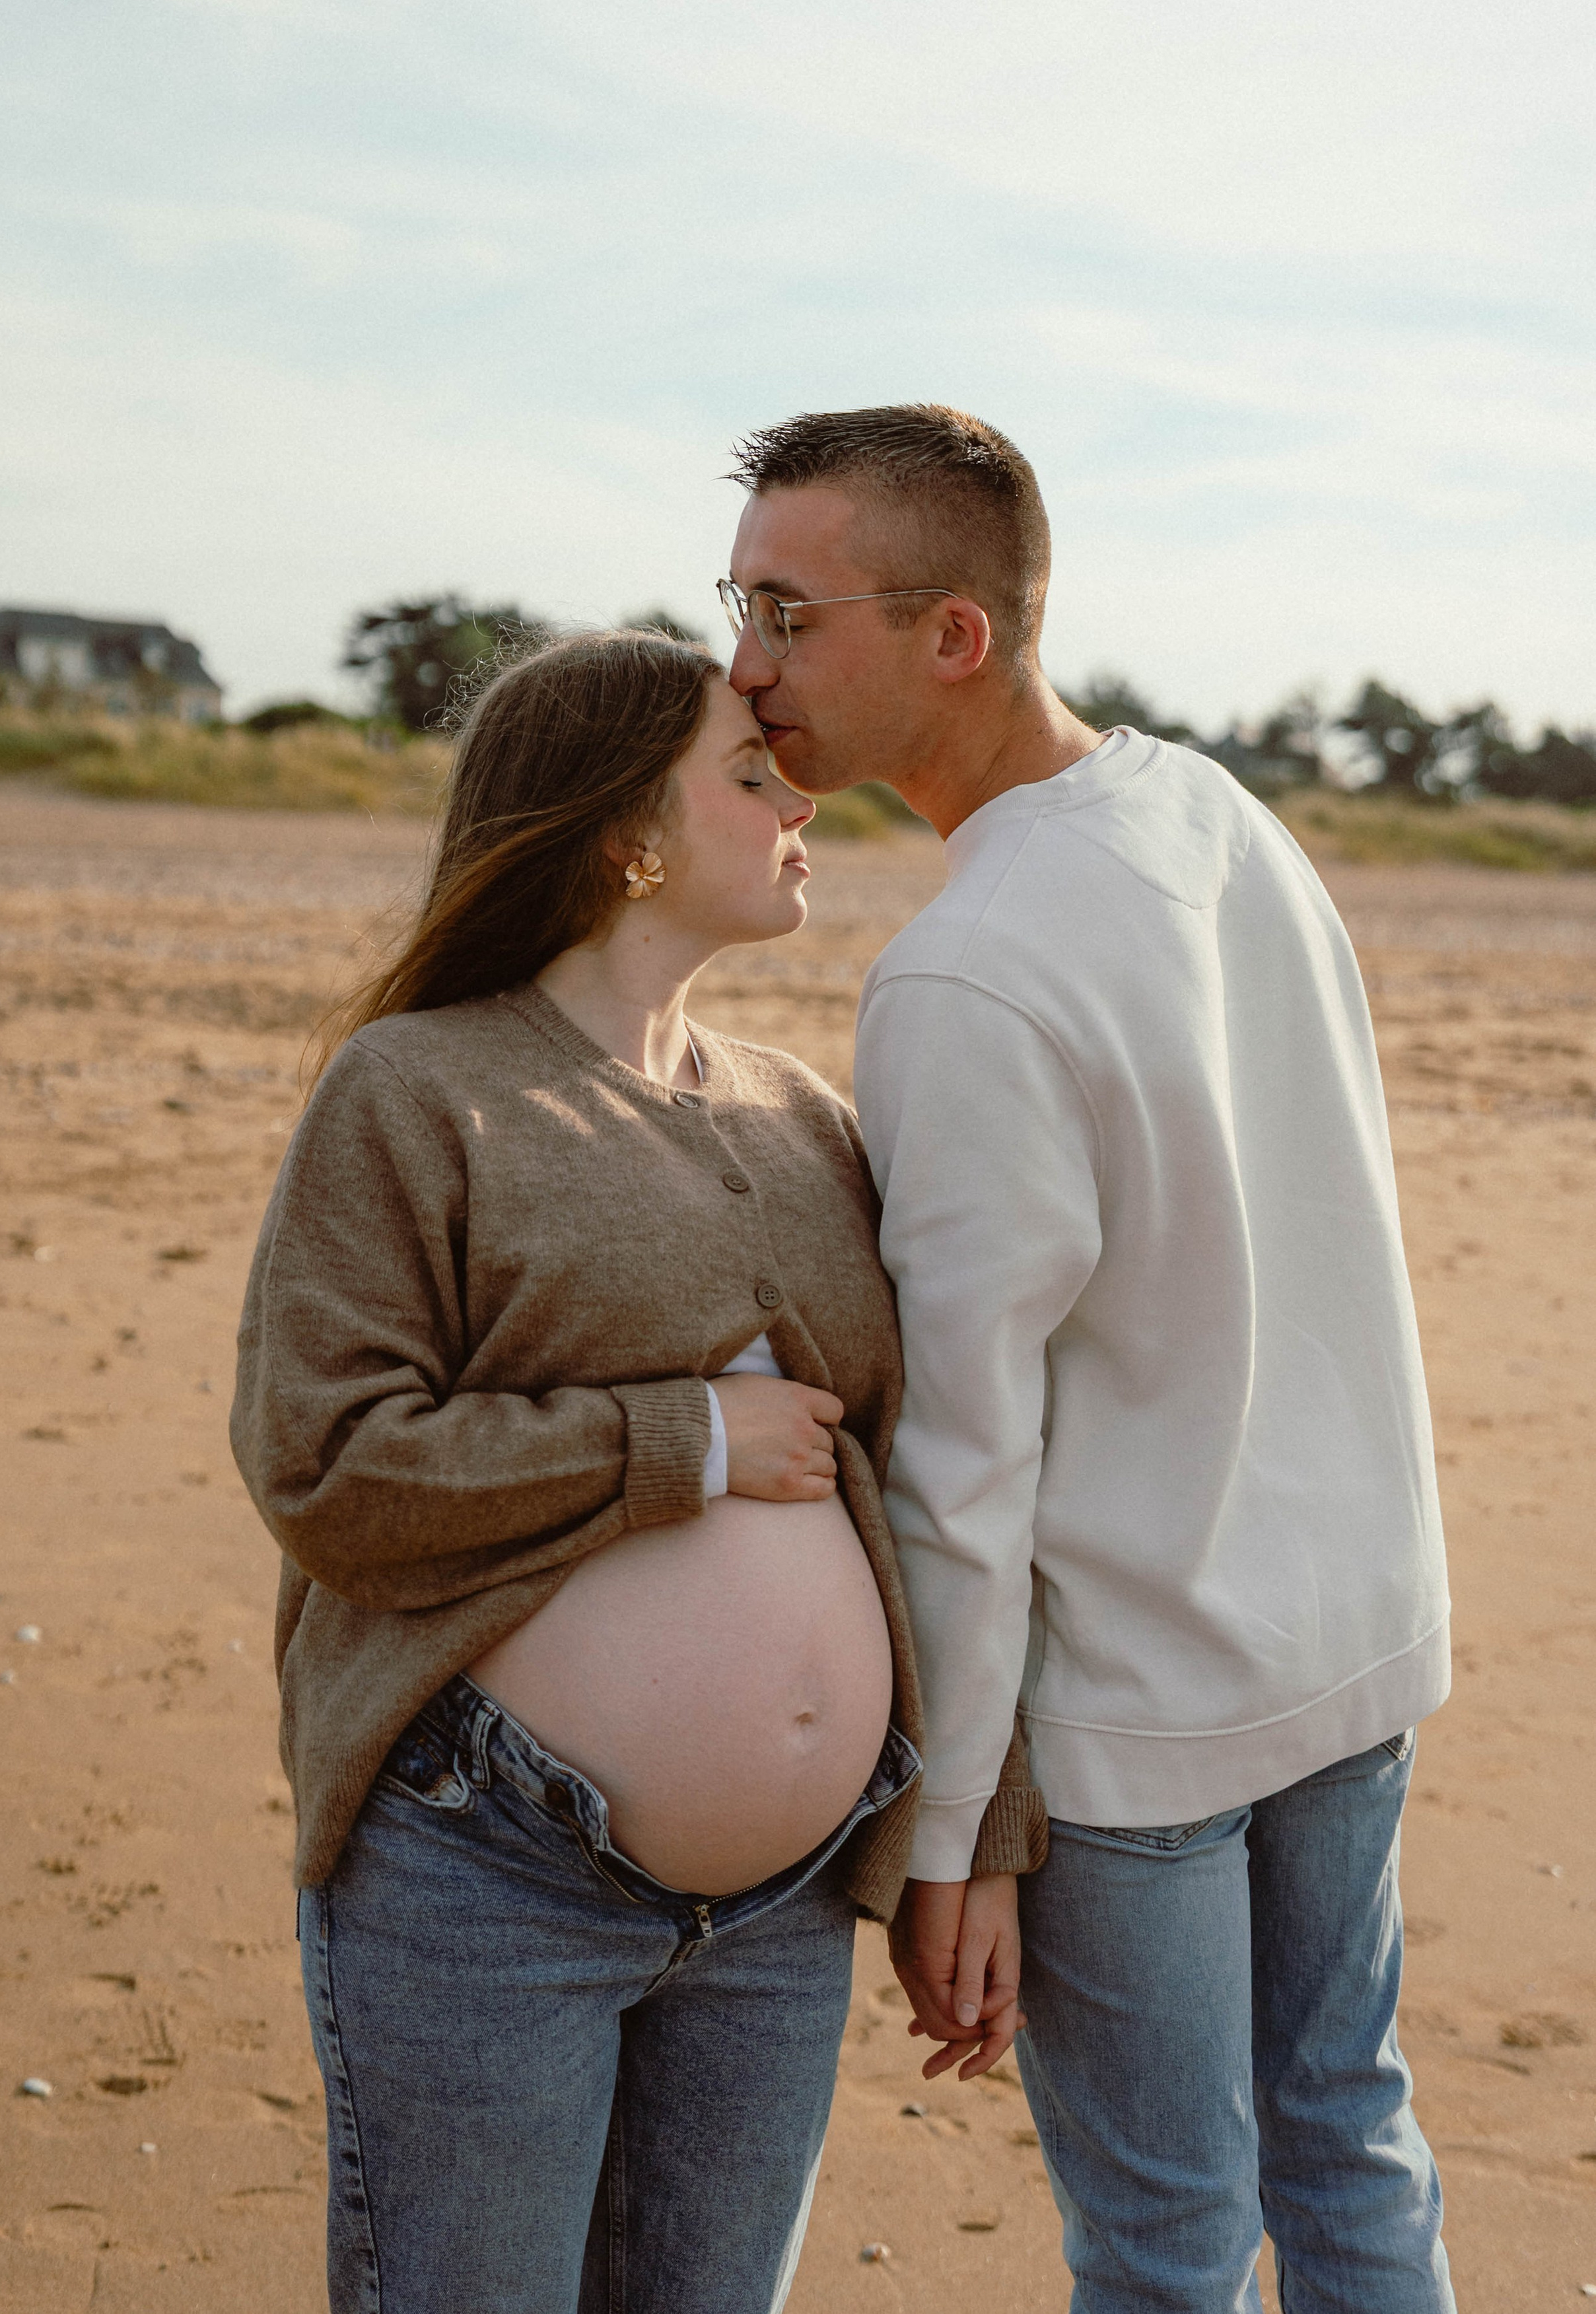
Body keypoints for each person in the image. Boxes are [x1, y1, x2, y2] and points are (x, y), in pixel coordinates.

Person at [722, 404, 1456, 2310]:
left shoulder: (969, 972)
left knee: (1165, 2242)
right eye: (738, 608)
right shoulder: (1216, 811)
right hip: (1356, 1638)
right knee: (1356, 2144)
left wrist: (946, 1830)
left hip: (1150, 1717)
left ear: (952, 637)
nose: (745, 667)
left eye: (791, 616)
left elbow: (970, 1456)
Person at [230, 628, 1040, 2314]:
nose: (799, 799)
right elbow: (325, 1466)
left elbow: (920, 1485)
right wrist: (675, 1443)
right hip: (486, 1880)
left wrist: (970, 1832)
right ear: (627, 836)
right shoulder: (416, 1090)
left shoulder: (798, 1116)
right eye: (749, 777)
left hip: (781, 1914)